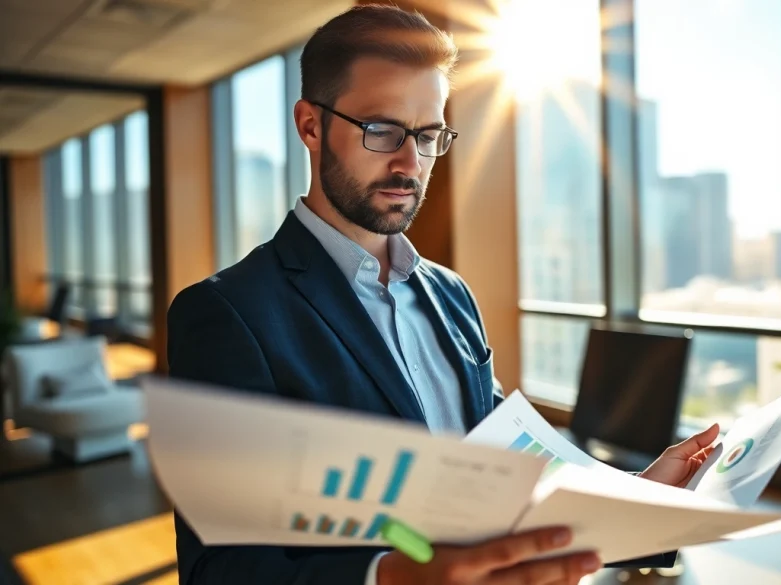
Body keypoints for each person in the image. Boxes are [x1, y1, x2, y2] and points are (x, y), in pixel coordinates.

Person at [166, 4, 720, 584]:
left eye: (428, 135)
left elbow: (504, 476)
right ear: (310, 126)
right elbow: (220, 569)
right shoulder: (227, 314)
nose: (410, 163)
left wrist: (638, 500)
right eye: (382, 131)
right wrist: (389, 577)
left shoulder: (452, 295)